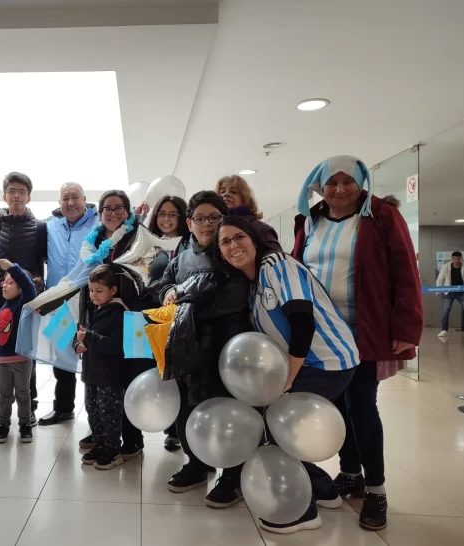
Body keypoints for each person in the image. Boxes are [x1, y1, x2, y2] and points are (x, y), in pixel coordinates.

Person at [292, 155, 423, 531]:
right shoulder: (310, 220)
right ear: (319, 186)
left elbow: (404, 271)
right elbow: (299, 268)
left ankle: (377, 489)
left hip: (361, 330)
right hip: (322, 333)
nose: (339, 189)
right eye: (330, 182)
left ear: (361, 182)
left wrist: (405, 326)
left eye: (348, 181)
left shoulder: (381, 216)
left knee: (361, 404)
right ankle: (350, 473)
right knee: (335, 403)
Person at [216, 215, 359, 534]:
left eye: (239, 237)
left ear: (254, 239)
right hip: (309, 364)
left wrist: (288, 380)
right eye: (225, 242)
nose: (233, 245)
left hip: (328, 361)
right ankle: (323, 490)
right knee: (274, 424)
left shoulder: (276, 264)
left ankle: (302, 511)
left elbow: (303, 322)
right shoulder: (253, 288)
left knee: (276, 426)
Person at [158, 190, 252, 508]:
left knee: (227, 412)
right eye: (200, 218)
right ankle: (198, 464)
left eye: (214, 217)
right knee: (188, 408)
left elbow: (236, 298)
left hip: (227, 348)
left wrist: (191, 305)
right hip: (188, 346)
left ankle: (233, 474)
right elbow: (165, 285)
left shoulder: (232, 249)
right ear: (189, 223)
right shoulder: (182, 255)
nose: (207, 224)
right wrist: (171, 293)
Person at [75, 189, 153, 462]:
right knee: (100, 375)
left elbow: (146, 269)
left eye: (119, 208)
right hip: (96, 309)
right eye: (107, 208)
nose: (113, 213)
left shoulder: (135, 235)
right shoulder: (94, 239)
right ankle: (104, 434)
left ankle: (131, 438)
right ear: (100, 212)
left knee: (126, 375)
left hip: (129, 313)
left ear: (128, 211)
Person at [0, 172, 47, 428]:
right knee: (0, 351)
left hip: (26, 301)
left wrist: (36, 290)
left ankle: (28, 406)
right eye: (12, 191)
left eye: (21, 191)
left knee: (25, 353)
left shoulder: (40, 226)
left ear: (29, 197)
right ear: (4, 196)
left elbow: (44, 262)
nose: (17, 195)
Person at [39, 182, 98, 427]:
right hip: (59, 302)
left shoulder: (98, 224)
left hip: (92, 300)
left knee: (95, 357)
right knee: (62, 358)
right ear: (59, 202)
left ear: (85, 200)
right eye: (65, 198)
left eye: (75, 197)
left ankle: (97, 415)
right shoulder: (49, 226)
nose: (70, 202)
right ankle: (63, 408)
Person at [0, 259, 38, 444]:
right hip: (2, 361)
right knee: (3, 395)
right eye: (4, 281)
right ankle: (3, 425)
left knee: (23, 393)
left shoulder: (24, 306)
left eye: (10, 282)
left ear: (20, 288)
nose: (4, 285)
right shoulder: (0, 311)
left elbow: (29, 286)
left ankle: (25, 425)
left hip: (22, 359)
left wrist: (12, 268)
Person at [146, 195, 190, 451]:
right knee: (161, 371)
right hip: (154, 314)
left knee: (181, 372)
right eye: (162, 214)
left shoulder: (189, 243)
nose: (166, 219)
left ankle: (181, 429)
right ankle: (170, 428)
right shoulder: (147, 244)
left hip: (182, 314)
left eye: (172, 214)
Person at [76, 265, 127, 470]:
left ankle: (113, 450)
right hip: (91, 373)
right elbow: (80, 334)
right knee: (93, 410)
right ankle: (99, 443)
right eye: (91, 290)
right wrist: (77, 344)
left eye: (99, 291)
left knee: (109, 413)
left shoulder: (119, 313)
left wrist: (89, 337)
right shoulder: (91, 310)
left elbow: (116, 346)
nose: (94, 295)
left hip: (110, 376)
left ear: (112, 290)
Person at [215, 175, 281, 250]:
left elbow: (278, 258)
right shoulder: (214, 230)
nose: (226, 194)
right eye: (222, 192)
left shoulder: (260, 228)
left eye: (234, 192)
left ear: (244, 198)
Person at [436, 251, 464, 336]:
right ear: (452, 259)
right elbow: (440, 279)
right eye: (454, 258)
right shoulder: (445, 267)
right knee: (445, 310)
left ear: (461, 258)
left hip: (462, 292)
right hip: (449, 292)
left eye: (458, 258)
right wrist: (438, 290)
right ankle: (444, 330)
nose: (456, 260)